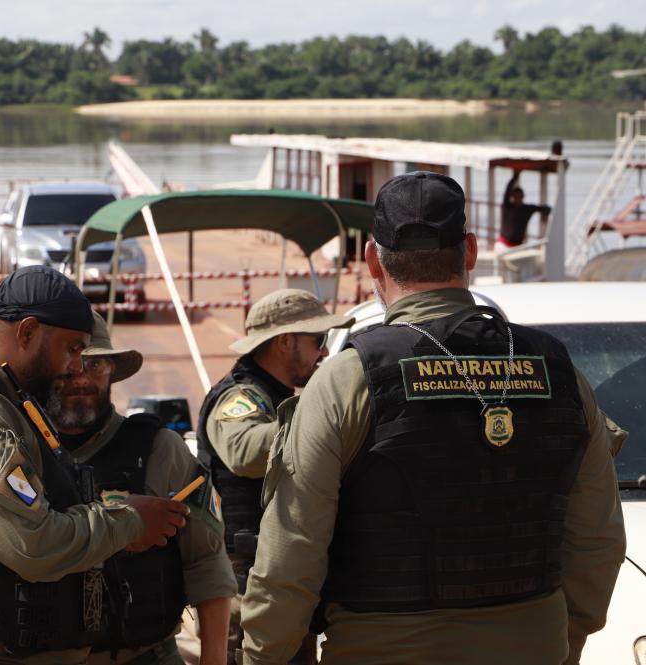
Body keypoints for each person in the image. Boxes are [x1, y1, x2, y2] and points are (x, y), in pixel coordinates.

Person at [241, 171, 626, 665]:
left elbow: (290, 557)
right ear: (469, 251)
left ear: (373, 260)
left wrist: (262, 656)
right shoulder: (560, 372)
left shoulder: (346, 380)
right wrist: (560, 639)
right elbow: (598, 540)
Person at [0, 265, 191, 665]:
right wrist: (130, 521)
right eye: (72, 348)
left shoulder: (6, 406)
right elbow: (31, 545)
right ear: (28, 331)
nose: (75, 367)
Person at [46, 311, 236, 665]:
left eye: (96, 364)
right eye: (69, 365)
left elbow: (206, 561)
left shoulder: (159, 450)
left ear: (113, 371)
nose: (81, 378)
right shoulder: (22, 452)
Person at [196, 288, 354, 662]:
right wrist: (321, 421)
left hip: (278, 578)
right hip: (246, 586)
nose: (325, 352)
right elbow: (243, 450)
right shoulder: (239, 397)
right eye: (318, 340)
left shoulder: (277, 396)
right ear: (284, 342)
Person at [496, 169, 551, 252]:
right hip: (504, 245)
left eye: (519, 196)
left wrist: (545, 214)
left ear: (523, 197)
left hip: (518, 246)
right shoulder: (507, 206)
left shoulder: (527, 209)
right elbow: (507, 190)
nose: (517, 198)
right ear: (512, 197)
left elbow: (546, 208)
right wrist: (515, 176)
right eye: (515, 196)